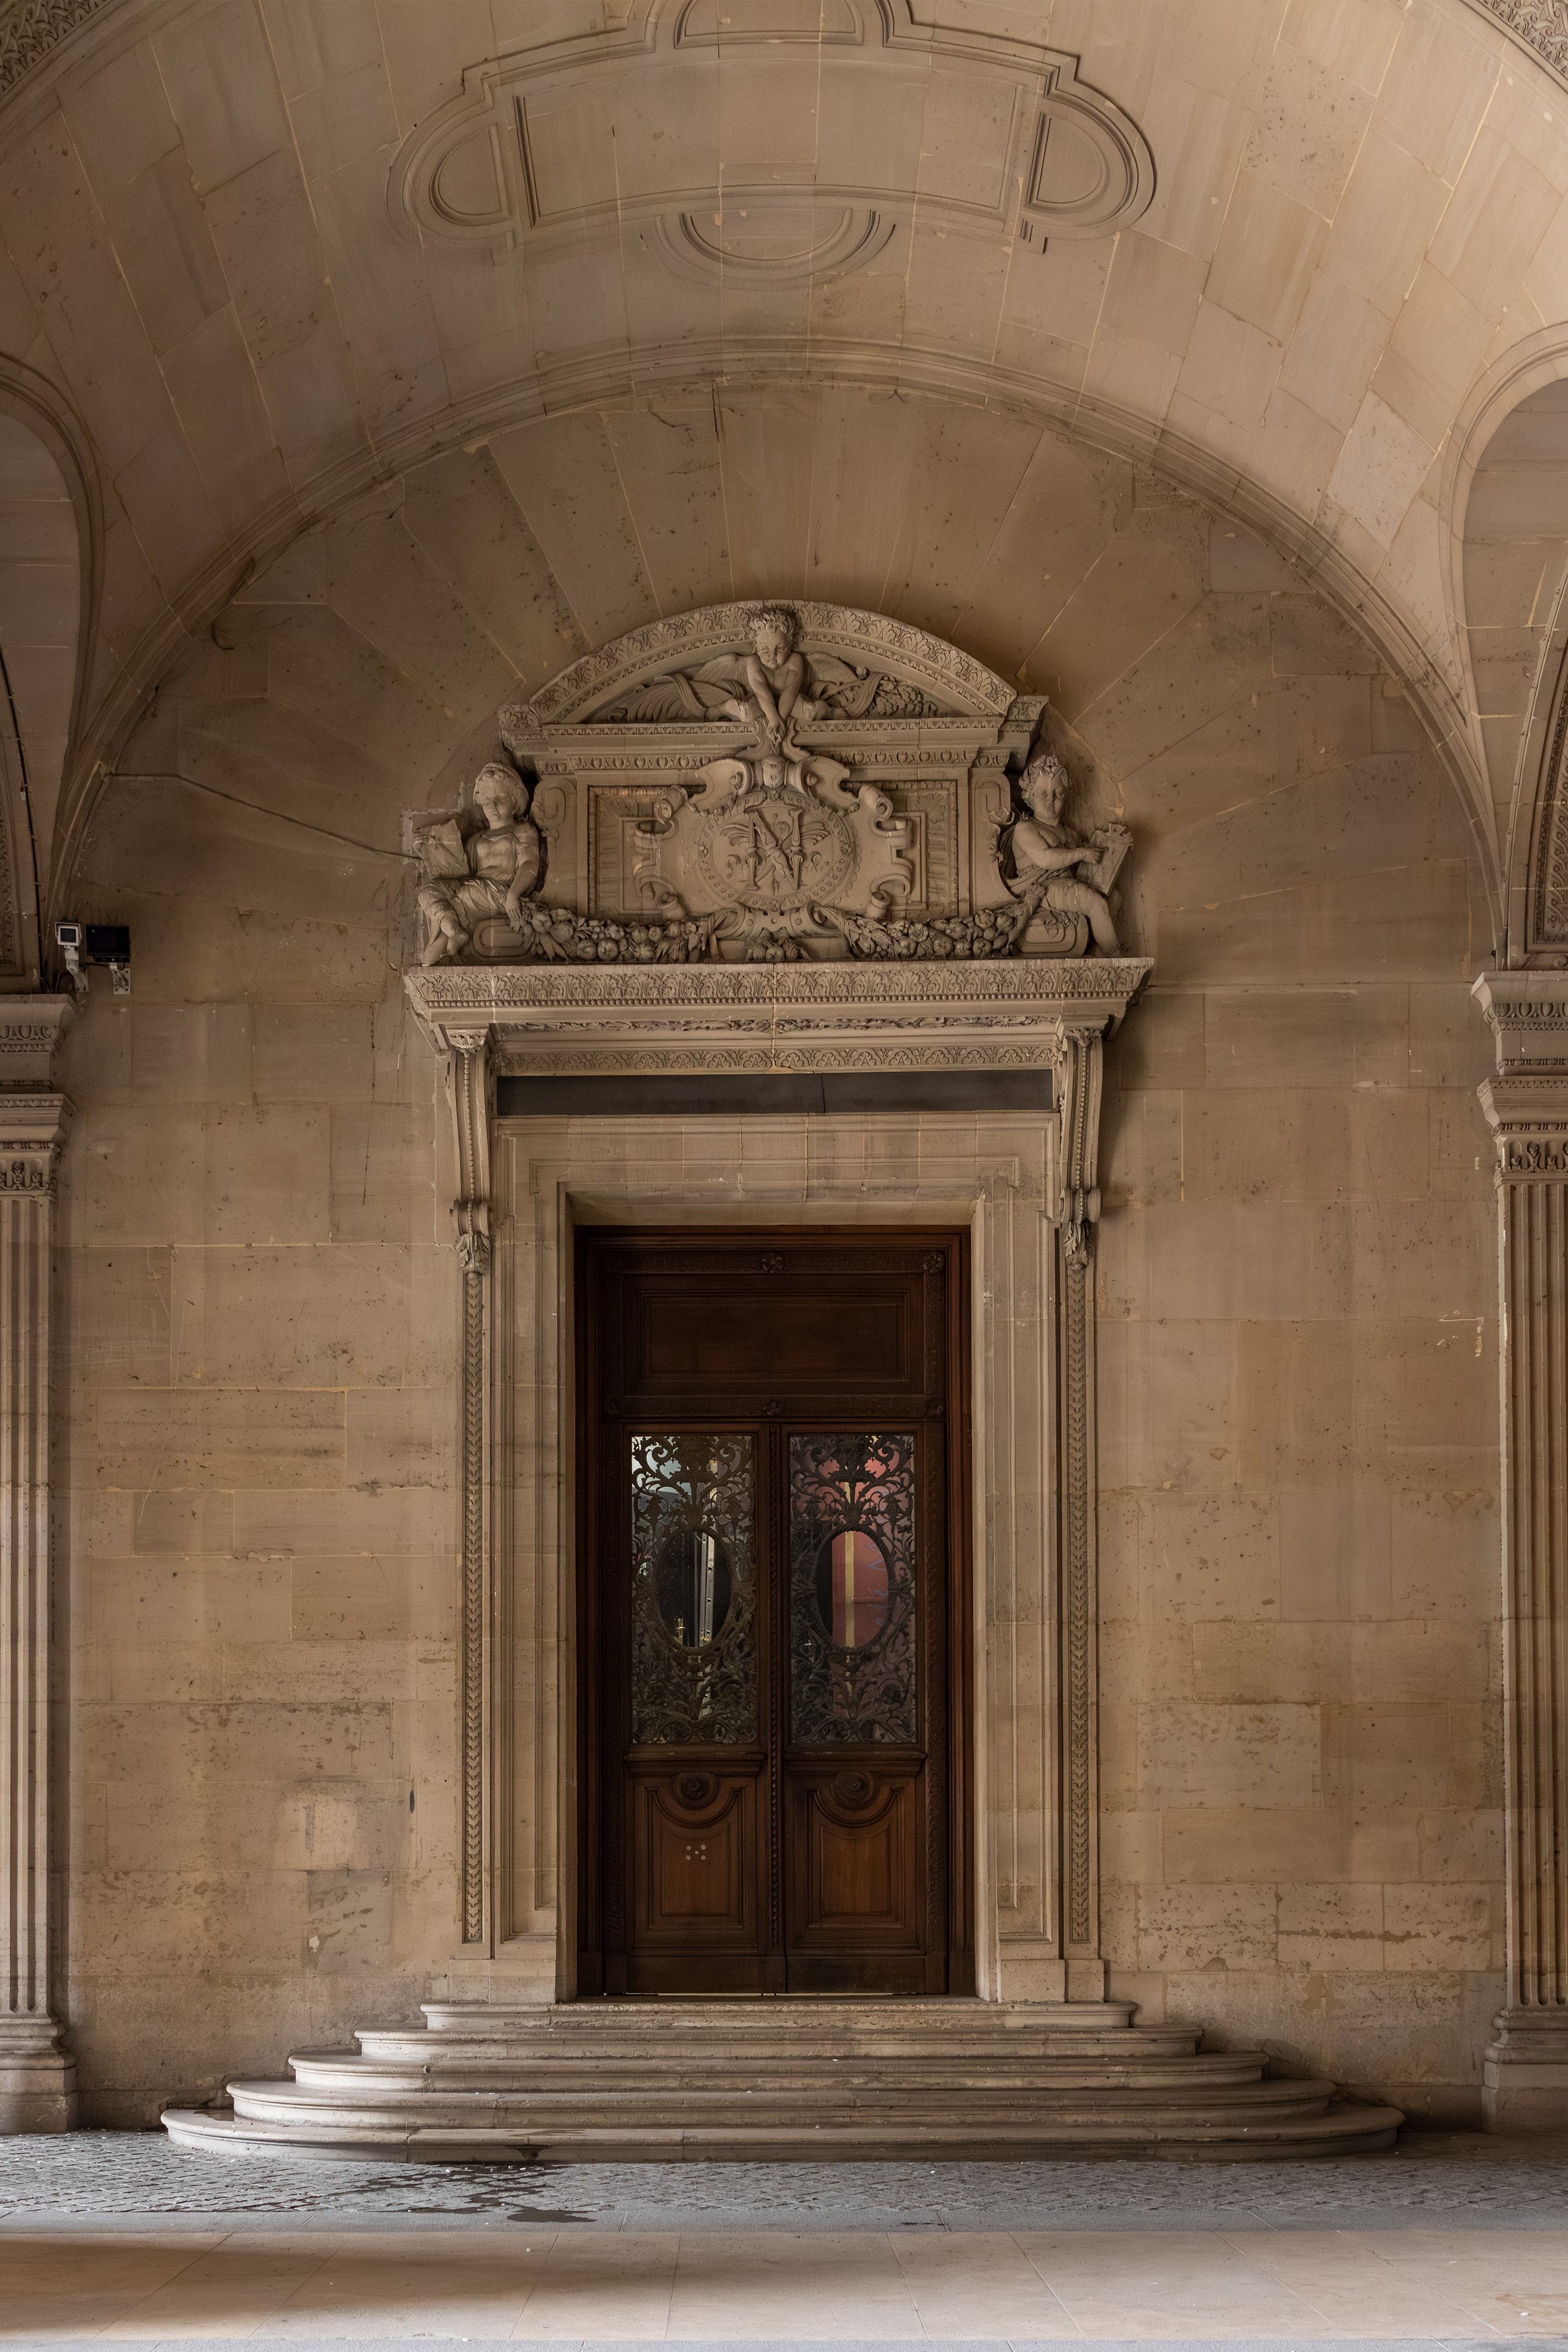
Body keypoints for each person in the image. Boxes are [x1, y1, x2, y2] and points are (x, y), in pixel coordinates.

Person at [415, 763, 541, 966]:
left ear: (515, 802)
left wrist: (513, 895)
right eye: (487, 801)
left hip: (501, 893)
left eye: (501, 799)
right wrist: (436, 849)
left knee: (464, 897)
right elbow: (463, 872)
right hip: (472, 886)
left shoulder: (522, 831)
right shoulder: (476, 840)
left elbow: (530, 864)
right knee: (427, 892)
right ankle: (454, 931)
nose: (493, 806)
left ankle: (446, 937)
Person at [1007, 752, 1126, 954]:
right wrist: (1081, 853)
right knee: (1092, 900)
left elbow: (1091, 862)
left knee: (1115, 897)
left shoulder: (1070, 833)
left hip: (1067, 881)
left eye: (1058, 793)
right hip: (1041, 887)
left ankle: (1097, 948)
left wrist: (1119, 845)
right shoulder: (1026, 828)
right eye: (1043, 793)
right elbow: (1045, 858)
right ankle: (1114, 954)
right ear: (1029, 795)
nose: (1051, 800)